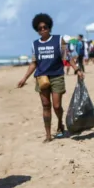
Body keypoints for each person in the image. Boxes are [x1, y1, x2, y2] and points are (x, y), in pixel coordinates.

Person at [17, 13, 83, 142]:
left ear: (49, 27)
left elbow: (67, 57)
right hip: (41, 78)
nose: (43, 30)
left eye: (45, 27)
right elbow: (34, 63)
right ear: (37, 30)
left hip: (57, 76)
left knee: (57, 106)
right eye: (39, 28)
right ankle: (48, 135)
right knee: (46, 105)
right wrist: (24, 78)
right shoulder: (35, 44)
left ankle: (60, 122)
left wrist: (77, 69)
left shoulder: (59, 40)